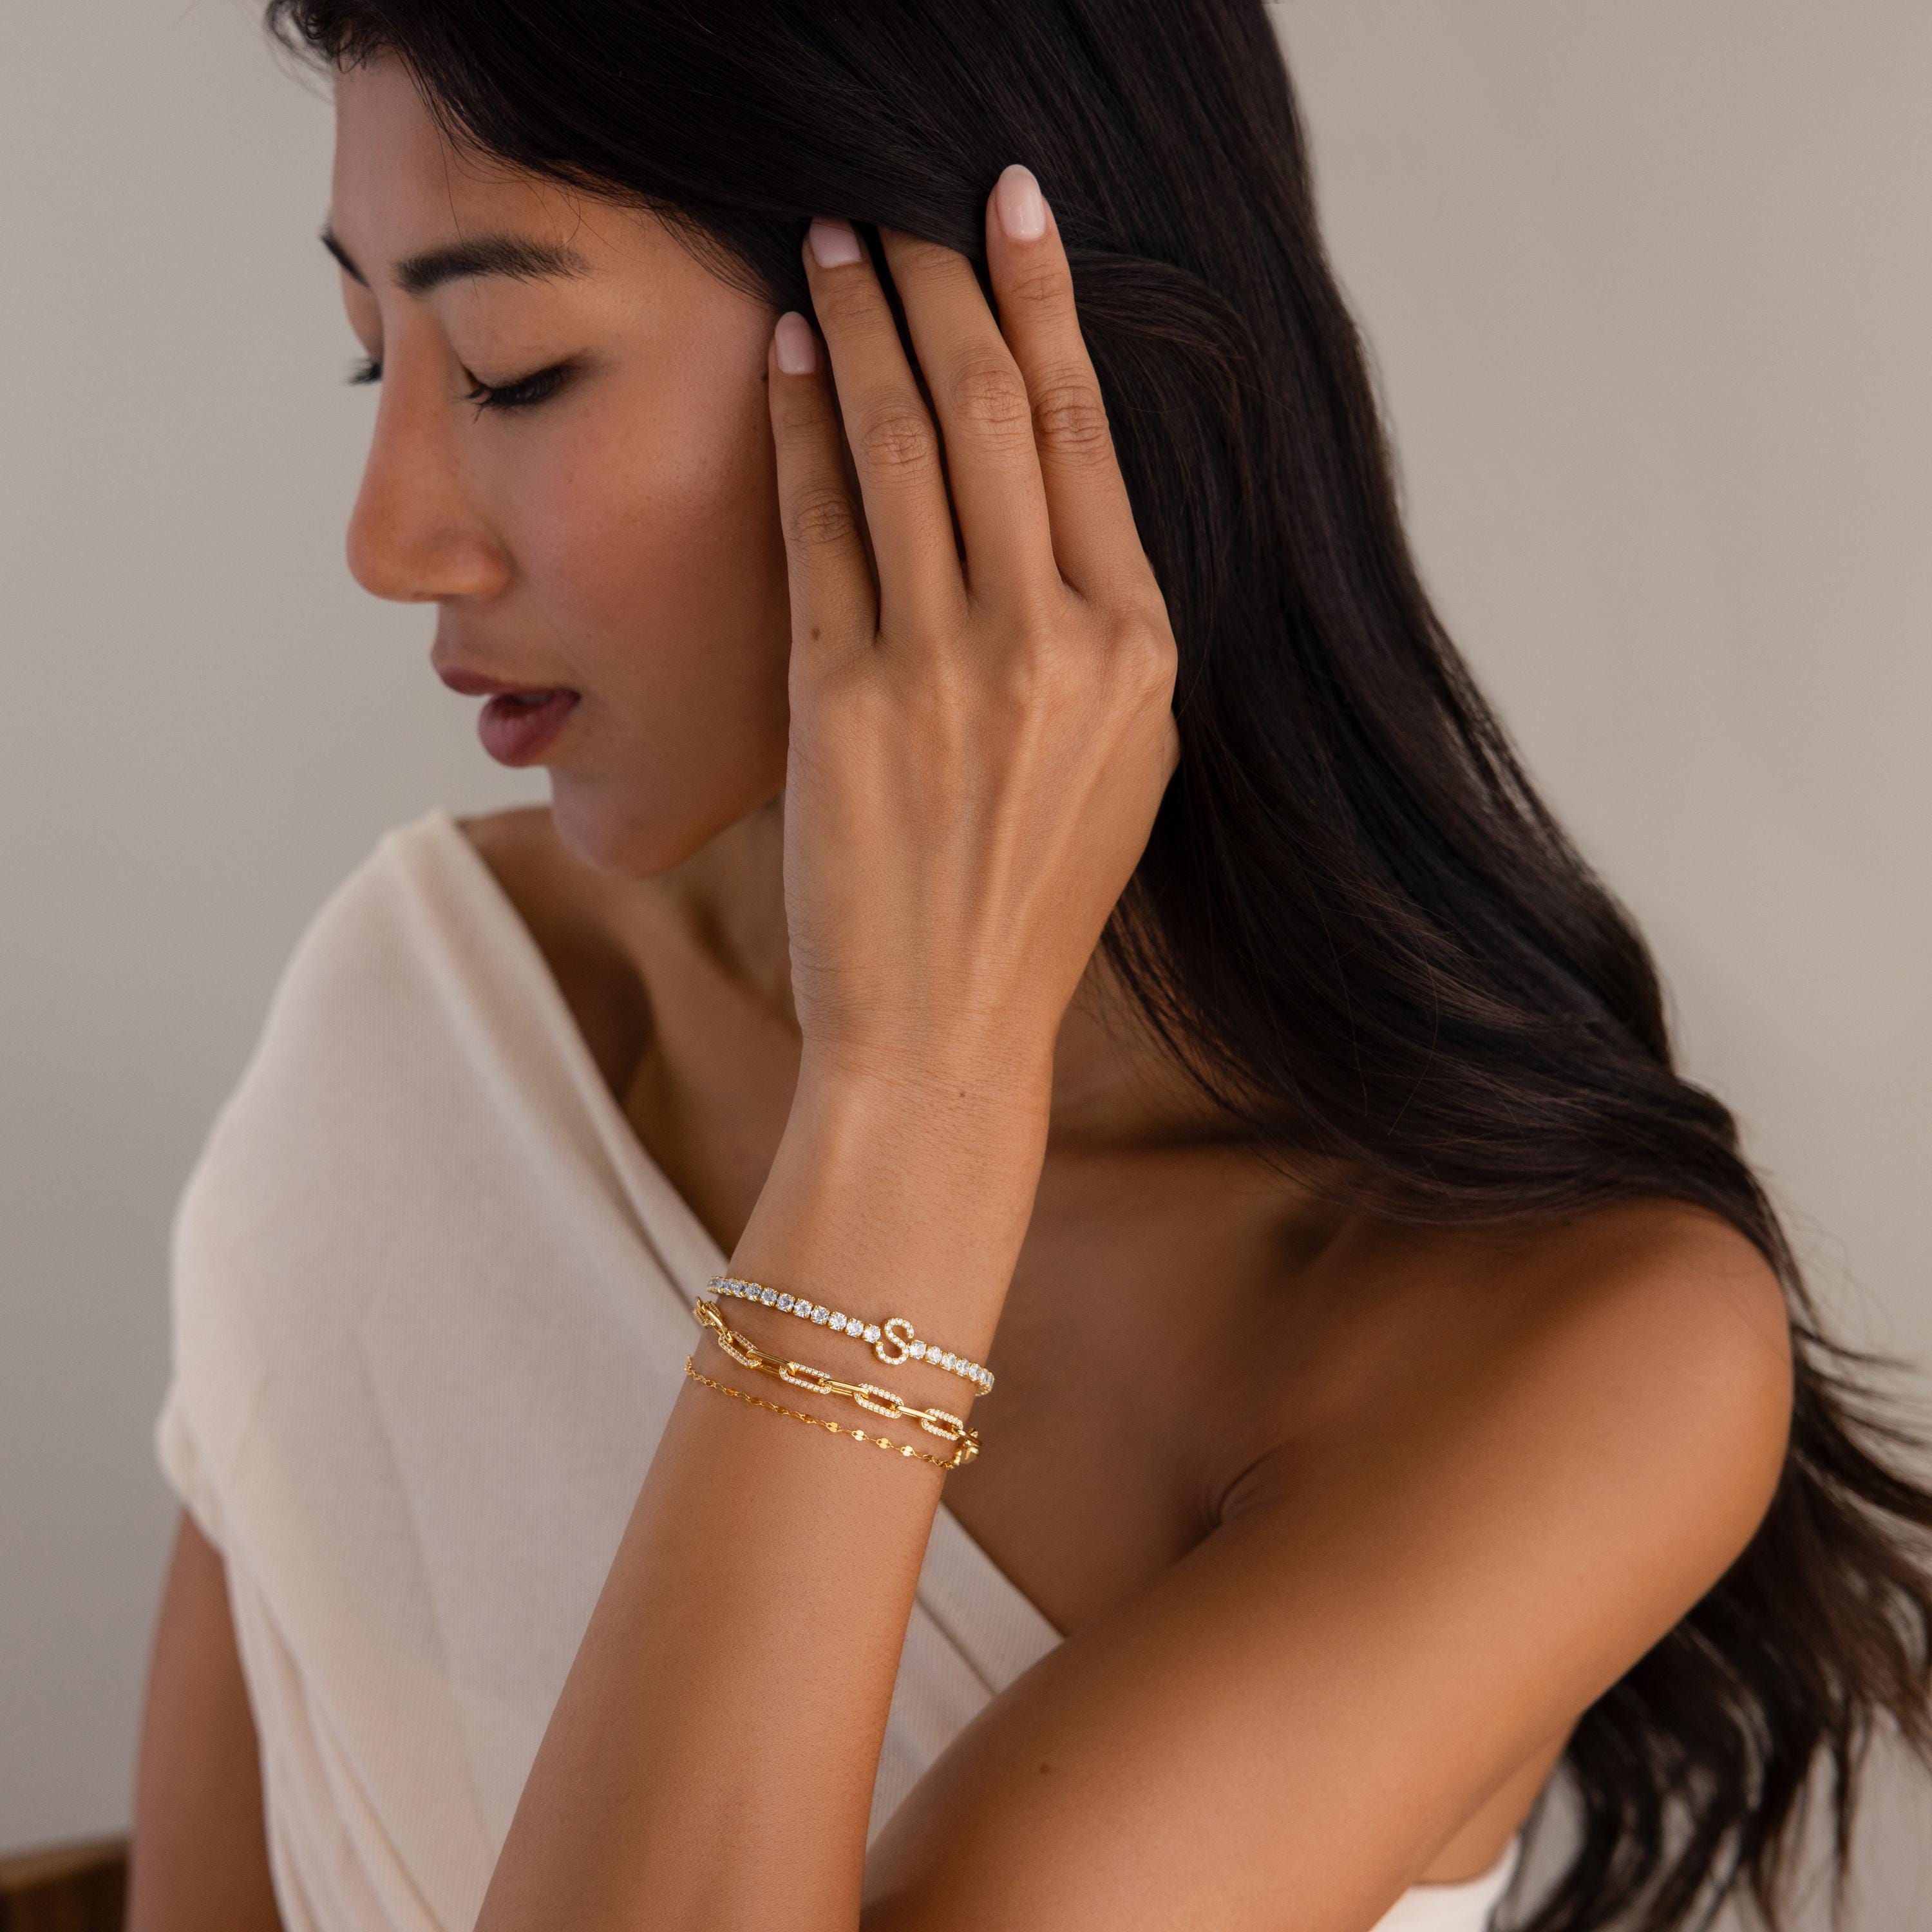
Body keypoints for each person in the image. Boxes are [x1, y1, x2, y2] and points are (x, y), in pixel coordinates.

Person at [128, 5, 1932, 1930]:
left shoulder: (1577, 1350)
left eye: (509, 368)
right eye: (365, 357)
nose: (387, 539)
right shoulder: (428, 1009)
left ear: (980, 359)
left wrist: (913, 1102)